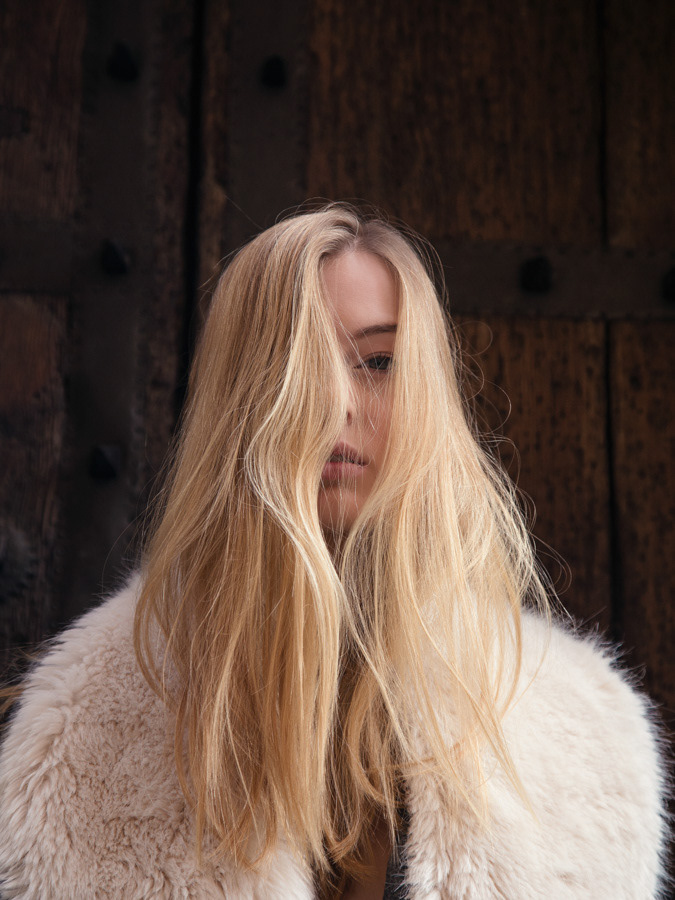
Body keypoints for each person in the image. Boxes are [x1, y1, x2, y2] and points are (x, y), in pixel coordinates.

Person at [0, 203, 668, 899]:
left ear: (429, 394)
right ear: (234, 402)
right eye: (292, 365)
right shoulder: (83, 733)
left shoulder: (584, 733)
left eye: (378, 361)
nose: (335, 404)